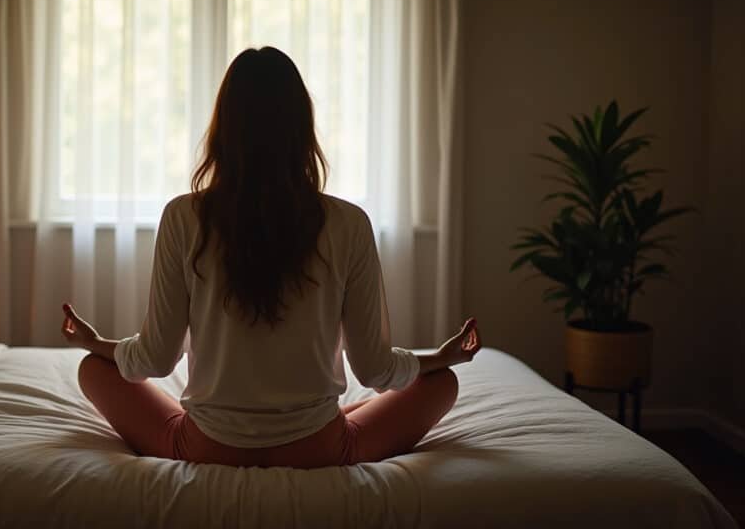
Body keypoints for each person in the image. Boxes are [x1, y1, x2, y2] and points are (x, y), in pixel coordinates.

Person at [61, 46, 481, 469]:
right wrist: (441, 358)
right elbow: (374, 371)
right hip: (321, 447)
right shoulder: (349, 223)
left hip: (206, 445)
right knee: (440, 383)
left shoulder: (183, 217)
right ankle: (325, 419)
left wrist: (94, 343)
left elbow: (153, 360)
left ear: (224, 128)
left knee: (92, 370)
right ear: (302, 129)